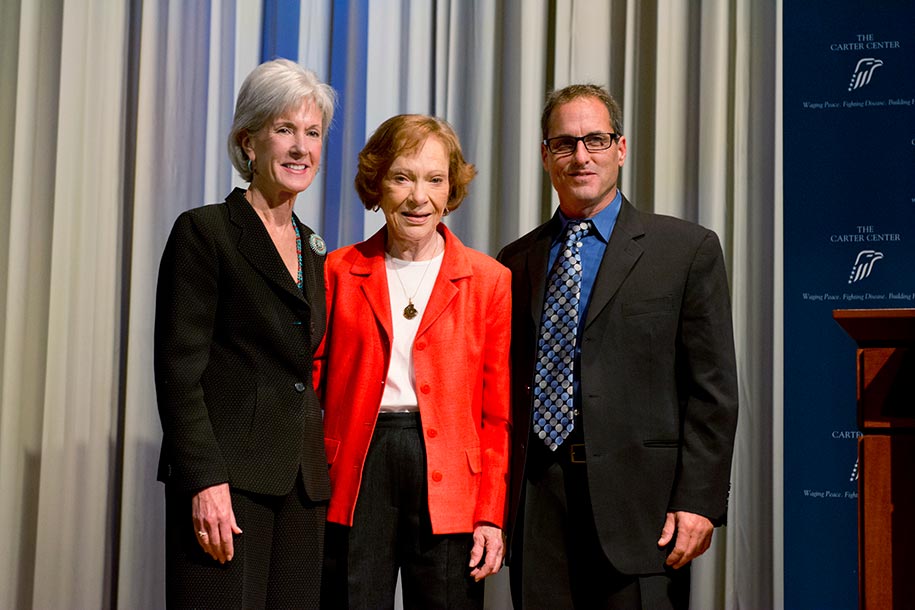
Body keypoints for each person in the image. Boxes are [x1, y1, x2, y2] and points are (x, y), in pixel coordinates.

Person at [497, 84, 739, 609]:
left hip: (644, 512)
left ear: (621, 149)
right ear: (545, 156)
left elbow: (713, 391)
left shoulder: (686, 251)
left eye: (596, 140)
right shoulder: (514, 261)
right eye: (564, 143)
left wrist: (699, 502)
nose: (580, 156)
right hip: (539, 505)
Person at [154, 58, 335, 609]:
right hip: (228, 485)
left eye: (313, 132)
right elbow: (179, 374)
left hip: (301, 486)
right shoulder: (205, 231)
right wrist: (205, 482)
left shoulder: (313, 246)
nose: (301, 147)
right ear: (247, 141)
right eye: (284, 130)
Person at [315, 114, 511, 609]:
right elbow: (308, 389)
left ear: (451, 190)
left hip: (452, 482)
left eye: (434, 179)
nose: (418, 196)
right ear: (377, 184)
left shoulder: (490, 281)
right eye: (402, 177)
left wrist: (491, 513)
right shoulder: (337, 271)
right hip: (358, 470)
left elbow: (498, 415)